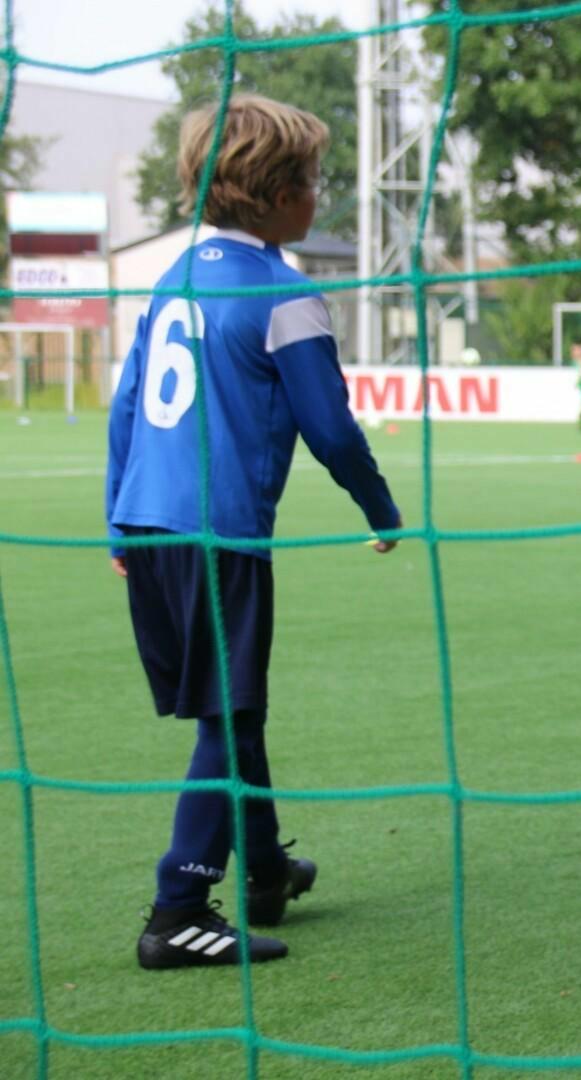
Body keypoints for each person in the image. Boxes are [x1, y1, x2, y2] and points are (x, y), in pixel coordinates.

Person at [106, 95, 401, 970]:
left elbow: (127, 408)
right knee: (228, 722)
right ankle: (178, 908)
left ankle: (265, 869)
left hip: (149, 522)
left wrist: (118, 526)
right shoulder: (286, 294)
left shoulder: (172, 282)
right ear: (277, 196)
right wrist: (380, 508)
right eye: (313, 180)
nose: (321, 192)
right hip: (220, 534)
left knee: (236, 710)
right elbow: (333, 427)